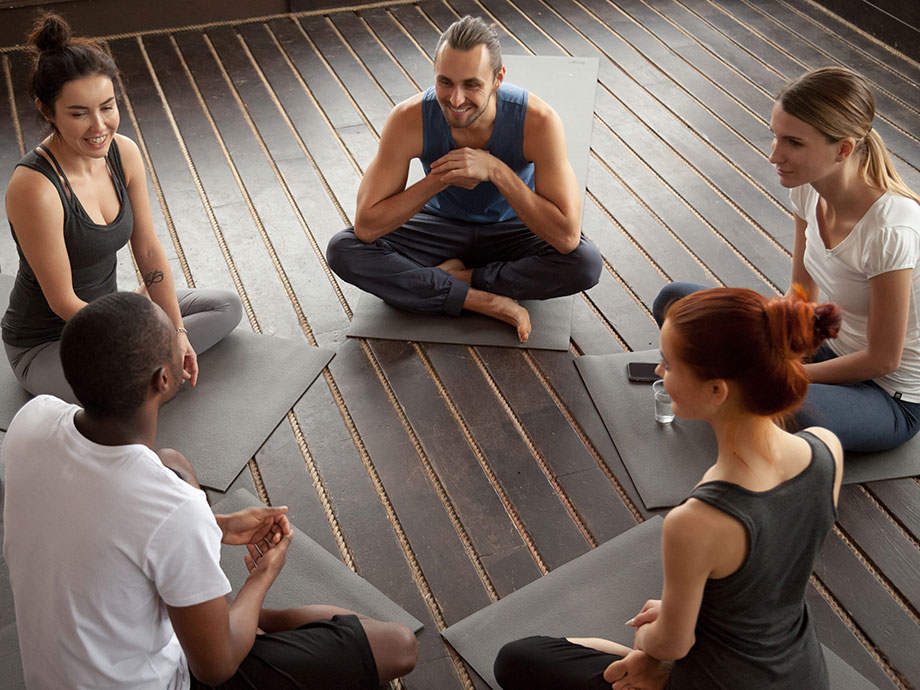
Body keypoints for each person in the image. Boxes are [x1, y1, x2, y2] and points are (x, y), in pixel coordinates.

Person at [2, 291, 418, 689]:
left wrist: (212, 525)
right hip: (174, 679)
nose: (181, 343)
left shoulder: (32, 419)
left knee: (172, 460)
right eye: (174, 337)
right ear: (164, 378)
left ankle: (217, 618)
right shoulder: (170, 509)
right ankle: (229, 620)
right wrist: (261, 577)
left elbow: (101, 519)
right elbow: (214, 669)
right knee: (397, 645)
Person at [493, 287, 844, 690]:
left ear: (717, 390)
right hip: (802, 674)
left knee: (518, 659)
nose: (659, 373)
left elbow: (673, 644)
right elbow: (768, 573)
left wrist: (647, 637)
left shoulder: (698, 520)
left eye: (668, 364)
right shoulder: (826, 448)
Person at [652, 66, 920, 453]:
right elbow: (800, 299)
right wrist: (765, 343)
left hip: (887, 393)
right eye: (775, 136)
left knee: (799, 417)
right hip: (821, 344)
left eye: (793, 143)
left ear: (843, 149)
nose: (775, 155)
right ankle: (728, 387)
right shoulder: (809, 190)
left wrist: (780, 373)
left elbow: (883, 360)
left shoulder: (891, 230)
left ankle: (721, 384)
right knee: (678, 304)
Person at [2, 12, 242, 403]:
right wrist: (142, 338)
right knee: (122, 391)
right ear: (47, 111)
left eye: (107, 107)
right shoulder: (34, 188)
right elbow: (63, 301)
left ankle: (149, 357)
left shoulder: (123, 153)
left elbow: (146, 249)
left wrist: (177, 334)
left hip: (113, 312)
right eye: (78, 113)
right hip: (48, 341)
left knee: (225, 307)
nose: (99, 126)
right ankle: (144, 365)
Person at [325, 15, 602, 343]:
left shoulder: (539, 122)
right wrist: (440, 178)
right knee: (343, 249)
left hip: (512, 230)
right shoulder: (407, 119)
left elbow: (566, 237)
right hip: (439, 227)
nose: (456, 100)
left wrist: (496, 171)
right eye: (445, 83)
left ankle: (456, 279)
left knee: (585, 263)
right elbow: (367, 227)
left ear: (498, 78)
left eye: (471, 85)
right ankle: (482, 299)